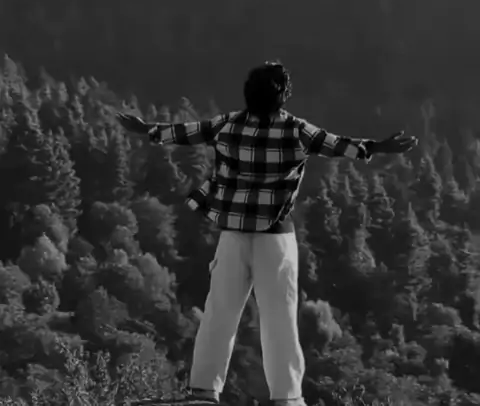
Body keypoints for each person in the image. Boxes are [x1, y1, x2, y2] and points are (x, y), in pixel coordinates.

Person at [117, 61, 417, 406]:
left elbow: (186, 132)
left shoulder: (228, 124)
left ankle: (203, 391)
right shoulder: (296, 130)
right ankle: (287, 398)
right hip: (276, 238)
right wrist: (379, 147)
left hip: (233, 234)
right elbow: (339, 145)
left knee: (219, 313)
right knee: (279, 319)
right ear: (283, 95)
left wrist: (146, 129)